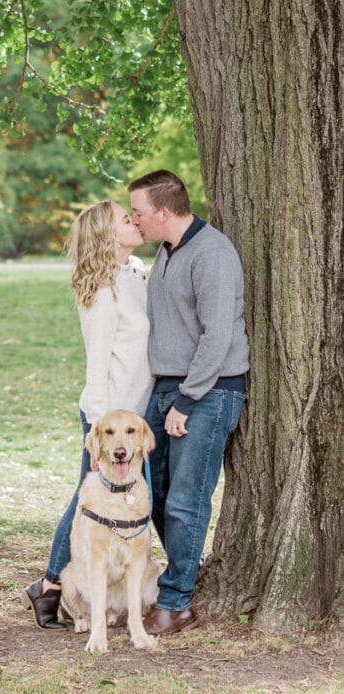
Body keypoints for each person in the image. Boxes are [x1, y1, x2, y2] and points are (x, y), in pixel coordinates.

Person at [127, 170, 250, 635]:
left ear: (163, 212)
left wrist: (187, 398)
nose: (135, 221)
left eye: (138, 213)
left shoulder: (213, 254)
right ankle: (188, 563)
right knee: (151, 491)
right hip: (165, 390)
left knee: (186, 498)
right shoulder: (165, 250)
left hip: (209, 390)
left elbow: (218, 335)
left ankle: (176, 601)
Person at [23, 199, 154, 629]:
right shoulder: (101, 291)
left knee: (125, 500)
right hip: (109, 421)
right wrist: (99, 437)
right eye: (124, 217)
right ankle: (49, 585)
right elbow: (96, 368)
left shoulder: (133, 271)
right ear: (105, 234)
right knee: (87, 505)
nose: (133, 220)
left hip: (135, 420)